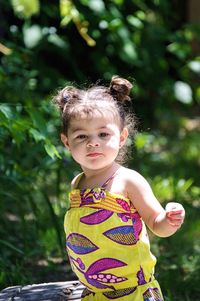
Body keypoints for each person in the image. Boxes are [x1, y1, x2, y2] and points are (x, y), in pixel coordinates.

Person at [53, 76, 185, 301]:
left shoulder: (127, 181)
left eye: (103, 134)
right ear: (66, 142)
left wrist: (169, 219)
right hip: (94, 292)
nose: (92, 142)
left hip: (132, 292)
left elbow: (156, 224)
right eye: (81, 136)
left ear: (122, 137)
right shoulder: (77, 183)